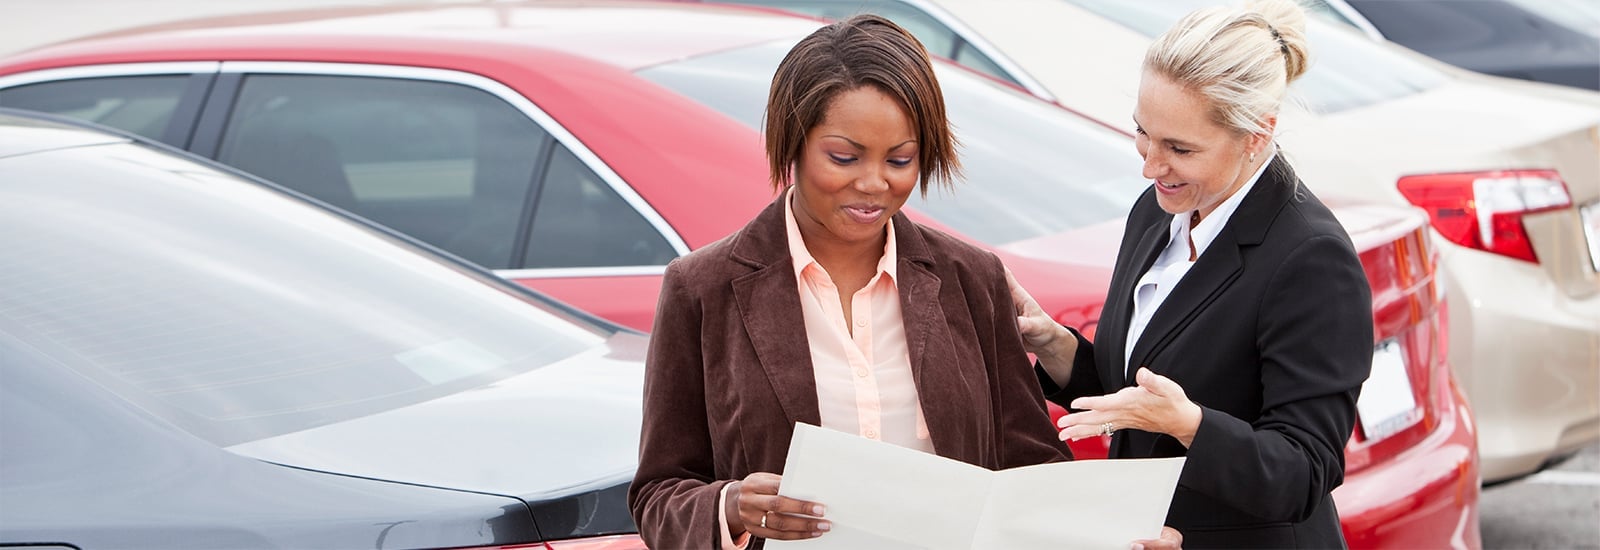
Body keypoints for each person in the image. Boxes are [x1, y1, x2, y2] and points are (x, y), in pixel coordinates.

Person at [628, 14, 1181, 550]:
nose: (873, 184)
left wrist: (1112, 535)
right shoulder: (703, 288)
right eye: (843, 157)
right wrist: (729, 507)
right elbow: (657, 493)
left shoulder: (971, 279)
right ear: (790, 143)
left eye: (900, 160)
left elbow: (1031, 470)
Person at [1008, 1, 1373, 548]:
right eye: (1142, 133)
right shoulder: (1159, 210)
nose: (1150, 166)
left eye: (1179, 148)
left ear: (1257, 134)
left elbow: (1306, 471)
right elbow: (1138, 391)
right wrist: (1055, 345)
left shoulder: (1310, 258)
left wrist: (1189, 424)